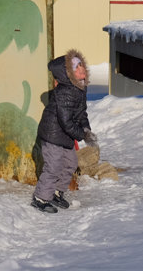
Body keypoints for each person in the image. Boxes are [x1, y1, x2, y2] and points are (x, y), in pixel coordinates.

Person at [31, 49, 96, 213]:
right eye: (76, 67)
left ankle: (56, 192)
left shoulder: (80, 88)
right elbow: (66, 121)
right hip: (53, 134)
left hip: (64, 135)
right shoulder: (65, 91)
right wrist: (82, 135)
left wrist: (87, 129)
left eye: (80, 64)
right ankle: (40, 198)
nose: (81, 68)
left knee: (70, 164)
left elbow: (81, 113)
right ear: (68, 75)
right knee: (54, 166)